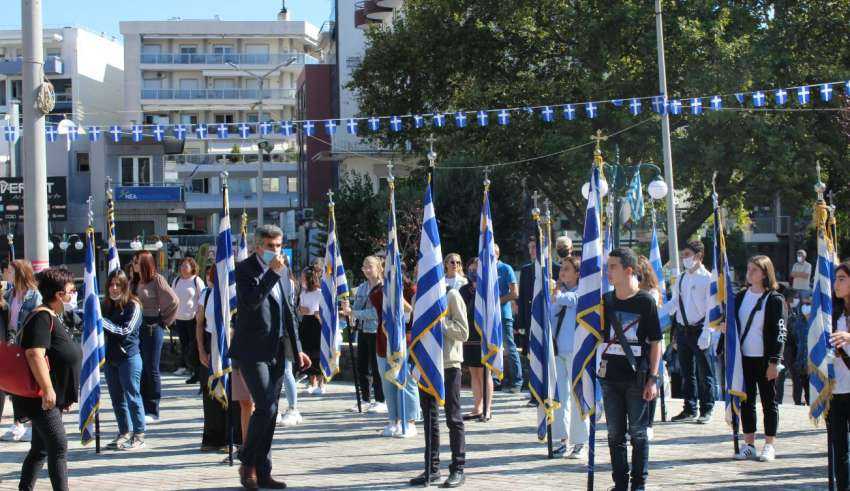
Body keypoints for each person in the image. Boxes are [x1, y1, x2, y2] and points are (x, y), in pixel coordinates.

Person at [230, 224, 311, 489]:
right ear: (257, 246)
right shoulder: (244, 269)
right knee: (264, 405)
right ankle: (247, 463)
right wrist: (272, 274)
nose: (275, 251)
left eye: (278, 246)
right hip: (252, 350)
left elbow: (288, 311)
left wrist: (297, 347)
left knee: (272, 410)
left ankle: (263, 469)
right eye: (270, 246)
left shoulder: (282, 270)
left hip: (277, 349)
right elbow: (252, 301)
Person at [14, 267, 82, 491]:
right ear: (59, 294)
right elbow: (34, 353)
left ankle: (25, 488)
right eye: (71, 290)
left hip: (48, 397)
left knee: (40, 449)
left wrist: (63, 394)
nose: (74, 295)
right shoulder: (42, 316)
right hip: (40, 398)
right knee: (59, 447)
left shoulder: (53, 316)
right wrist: (49, 389)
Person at [600, 247, 662, 491]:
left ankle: (638, 484)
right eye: (608, 266)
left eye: (613, 267)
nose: (608, 272)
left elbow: (656, 342)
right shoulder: (606, 300)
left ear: (628, 270)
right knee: (615, 435)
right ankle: (620, 483)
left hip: (637, 377)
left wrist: (653, 379)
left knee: (638, 434)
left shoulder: (645, 301)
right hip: (609, 377)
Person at [724, 255, 786, 462]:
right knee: (747, 401)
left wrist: (774, 361)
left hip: (764, 359)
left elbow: (780, 332)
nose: (750, 273)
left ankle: (769, 444)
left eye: (755, 270)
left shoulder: (775, 299)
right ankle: (749, 443)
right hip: (745, 359)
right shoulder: (741, 296)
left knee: (769, 402)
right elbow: (734, 323)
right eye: (749, 269)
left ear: (765, 273)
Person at [410, 286, 469, 488]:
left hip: (448, 364)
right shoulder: (419, 297)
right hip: (426, 365)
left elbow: (463, 332)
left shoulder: (451, 295)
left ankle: (458, 468)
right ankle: (432, 468)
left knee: (453, 417)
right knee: (429, 419)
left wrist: (439, 324)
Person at [664, 240, 715, 424]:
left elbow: (712, 308)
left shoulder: (708, 278)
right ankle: (689, 408)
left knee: (705, 372)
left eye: (687, 255)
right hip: (683, 330)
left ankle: (707, 408)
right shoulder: (682, 277)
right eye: (683, 255)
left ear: (699, 256)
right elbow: (675, 303)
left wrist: (707, 331)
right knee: (687, 372)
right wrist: (660, 309)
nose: (684, 259)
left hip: (700, 329)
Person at [370, 270, 421, 438]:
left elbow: (412, 312)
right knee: (388, 382)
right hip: (383, 342)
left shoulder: (410, 289)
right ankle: (394, 420)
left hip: (404, 342)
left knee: (406, 381)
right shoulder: (379, 291)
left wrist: (397, 297)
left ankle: (410, 420)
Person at [131, 251, 179, 423]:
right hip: (136, 326)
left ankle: (152, 408)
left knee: (151, 367)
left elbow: (174, 301)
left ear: (144, 263)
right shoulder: (134, 280)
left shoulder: (156, 280)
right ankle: (141, 405)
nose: (133, 264)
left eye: (136, 261)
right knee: (139, 367)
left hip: (153, 326)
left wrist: (164, 321)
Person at [102, 270, 146, 451]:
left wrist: (102, 322)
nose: (113, 288)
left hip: (129, 357)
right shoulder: (106, 305)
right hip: (111, 358)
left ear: (124, 286)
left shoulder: (133, 305)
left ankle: (139, 434)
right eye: (111, 285)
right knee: (116, 398)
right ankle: (124, 432)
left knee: (132, 396)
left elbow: (125, 330)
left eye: (117, 284)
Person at [551, 255, 588, 460]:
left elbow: (575, 301)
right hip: (559, 351)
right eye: (561, 269)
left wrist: (557, 296)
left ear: (577, 273)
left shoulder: (581, 292)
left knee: (577, 398)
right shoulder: (560, 294)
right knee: (560, 398)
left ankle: (580, 441)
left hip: (576, 351)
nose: (562, 272)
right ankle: (562, 439)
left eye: (566, 269)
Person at [1, 259, 42, 442]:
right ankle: (18, 424)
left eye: (10, 271)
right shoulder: (9, 294)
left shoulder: (34, 295)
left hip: (30, 345)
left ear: (19, 273)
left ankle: (34, 425)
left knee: (31, 385)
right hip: (14, 344)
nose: (6, 273)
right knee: (16, 387)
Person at [348, 256, 387, 414]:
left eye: (370, 266)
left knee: (377, 367)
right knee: (362, 366)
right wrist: (349, 314)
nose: (366, 269)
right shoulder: (362, 288)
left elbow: (376, 313)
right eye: (364, 266)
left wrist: (355, 313)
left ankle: (380, 400)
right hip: (363, 330)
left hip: (377, 330)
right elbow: (356, 307)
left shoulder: (383, 287)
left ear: (379, 268)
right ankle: (364, 399)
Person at [460, 258, 493, 421]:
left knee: (485, 374)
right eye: (471, 270)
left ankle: (487, 408)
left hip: (484, 336)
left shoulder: (487, 289)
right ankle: (477, 406)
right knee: (474, 372)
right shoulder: (463, 290)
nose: (473, 273)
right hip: (469, 335)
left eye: (476, 270)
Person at [637, 256, 665, 440]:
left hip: (650, 342)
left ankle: (649, 423)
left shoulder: (651, 293)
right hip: (635, 344)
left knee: (651, 380)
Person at [828, 261, 850, 490]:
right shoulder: (832, 314)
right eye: (835, 279)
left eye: (842, 278)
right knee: (839, 449)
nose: (837, 284)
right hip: (836, 389)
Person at [171, 257, 205, 384]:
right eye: (182, 266)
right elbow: (173, 298)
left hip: (193, 319)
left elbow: (203, 298)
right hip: (180, 318)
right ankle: (185, 366)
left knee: (194, 345)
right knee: (184, 345)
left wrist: (199, 314)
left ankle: (196, 372)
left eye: (186, 266)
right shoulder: (176, 280)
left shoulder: (197, 281)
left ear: (192, 267)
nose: (183, 268)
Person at [493, 244, 520, 392]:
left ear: (497, 253)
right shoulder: (485, 269)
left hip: (503, 314)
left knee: (509, 346)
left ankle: (517, 380)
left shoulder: (505, 268)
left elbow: (514, 293)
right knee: (493, 346)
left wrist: (497, 302)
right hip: (489, 315)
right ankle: (495, 380)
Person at [298, 265, 325, 395]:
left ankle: (321, 383)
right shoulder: (303, 292)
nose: (301, 280)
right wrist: (301, 310)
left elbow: (323, 311)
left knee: (318, 354)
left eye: (303, 278)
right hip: (306, 322)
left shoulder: (320, 293)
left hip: (317, 323)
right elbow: (300, 308)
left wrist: (318, 315)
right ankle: (311, 382)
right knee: (307, 352)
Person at [516, 236, 537, 399]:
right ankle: (533, 391)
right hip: (530, 319)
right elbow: (522, 298)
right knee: (531, 354)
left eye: (535, 247)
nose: (532, 251)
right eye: (530, 247)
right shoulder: (526, 270)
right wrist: (521, 323)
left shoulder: (555, 268)